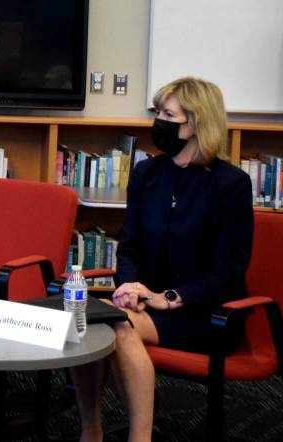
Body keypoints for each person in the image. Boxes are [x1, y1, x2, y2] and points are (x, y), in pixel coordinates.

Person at [71, 77, 253, 442]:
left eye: (169, 114)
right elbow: (130, 245)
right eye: (158, 112)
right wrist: (127, 286)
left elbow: (229, 271)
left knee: (119, 327)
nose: (159, 122)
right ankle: (91, 431)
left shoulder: (230, 184)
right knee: (84, 319)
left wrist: (168, 298)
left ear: (196, 124)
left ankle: (140, 438)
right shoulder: (147, 173)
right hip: (146, 303)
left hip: (206, 313)